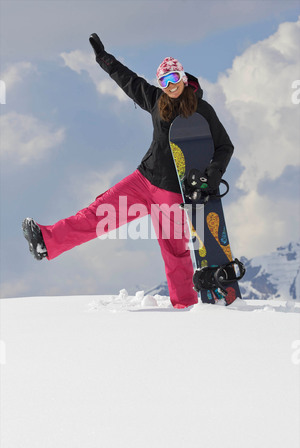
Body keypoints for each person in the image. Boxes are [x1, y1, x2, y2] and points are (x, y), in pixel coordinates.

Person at [22, 34, 234, 309]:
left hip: (172, 192)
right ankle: (46, 241)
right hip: (143, 180)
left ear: (184, 78)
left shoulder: (203, 111)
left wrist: (213, 175)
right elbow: (130, 81)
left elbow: (224, 146)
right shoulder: (158, 101)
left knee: (174, 250)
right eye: (164, 81)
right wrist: (104, 59)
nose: (170, 86)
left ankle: (185, 306)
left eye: (174, 79)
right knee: (97, 212)